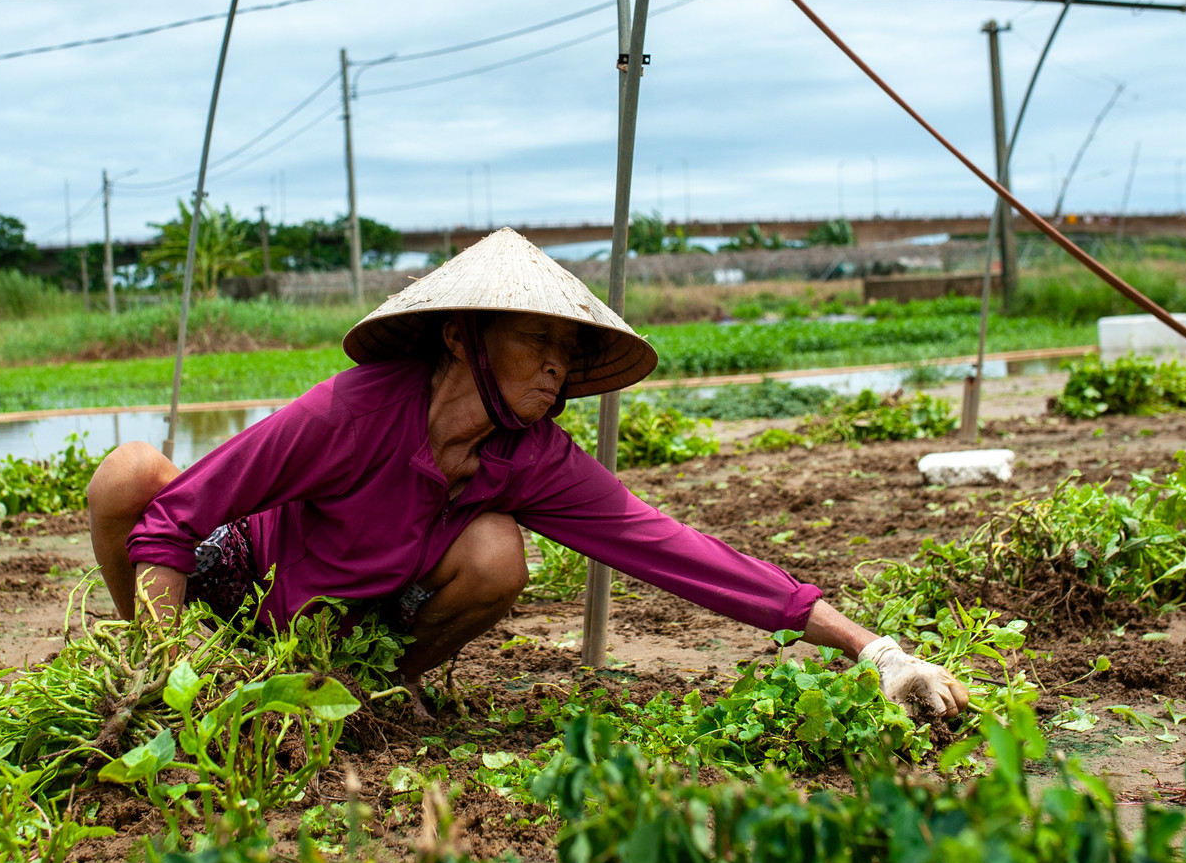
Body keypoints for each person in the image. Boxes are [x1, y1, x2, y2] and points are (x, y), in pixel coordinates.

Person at [87, 229, 969, 718]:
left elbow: (679, 552)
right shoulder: (352, 411)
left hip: (348, 627)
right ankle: (147, 697)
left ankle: (364, 697)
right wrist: (171, 683)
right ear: (462, 335)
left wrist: (877, 653)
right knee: (129, 475)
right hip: (245, 584)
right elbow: (171, 523)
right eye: (536, 341)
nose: (556, 368)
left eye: (567, 351)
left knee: (499, 551)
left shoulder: (533, 458)